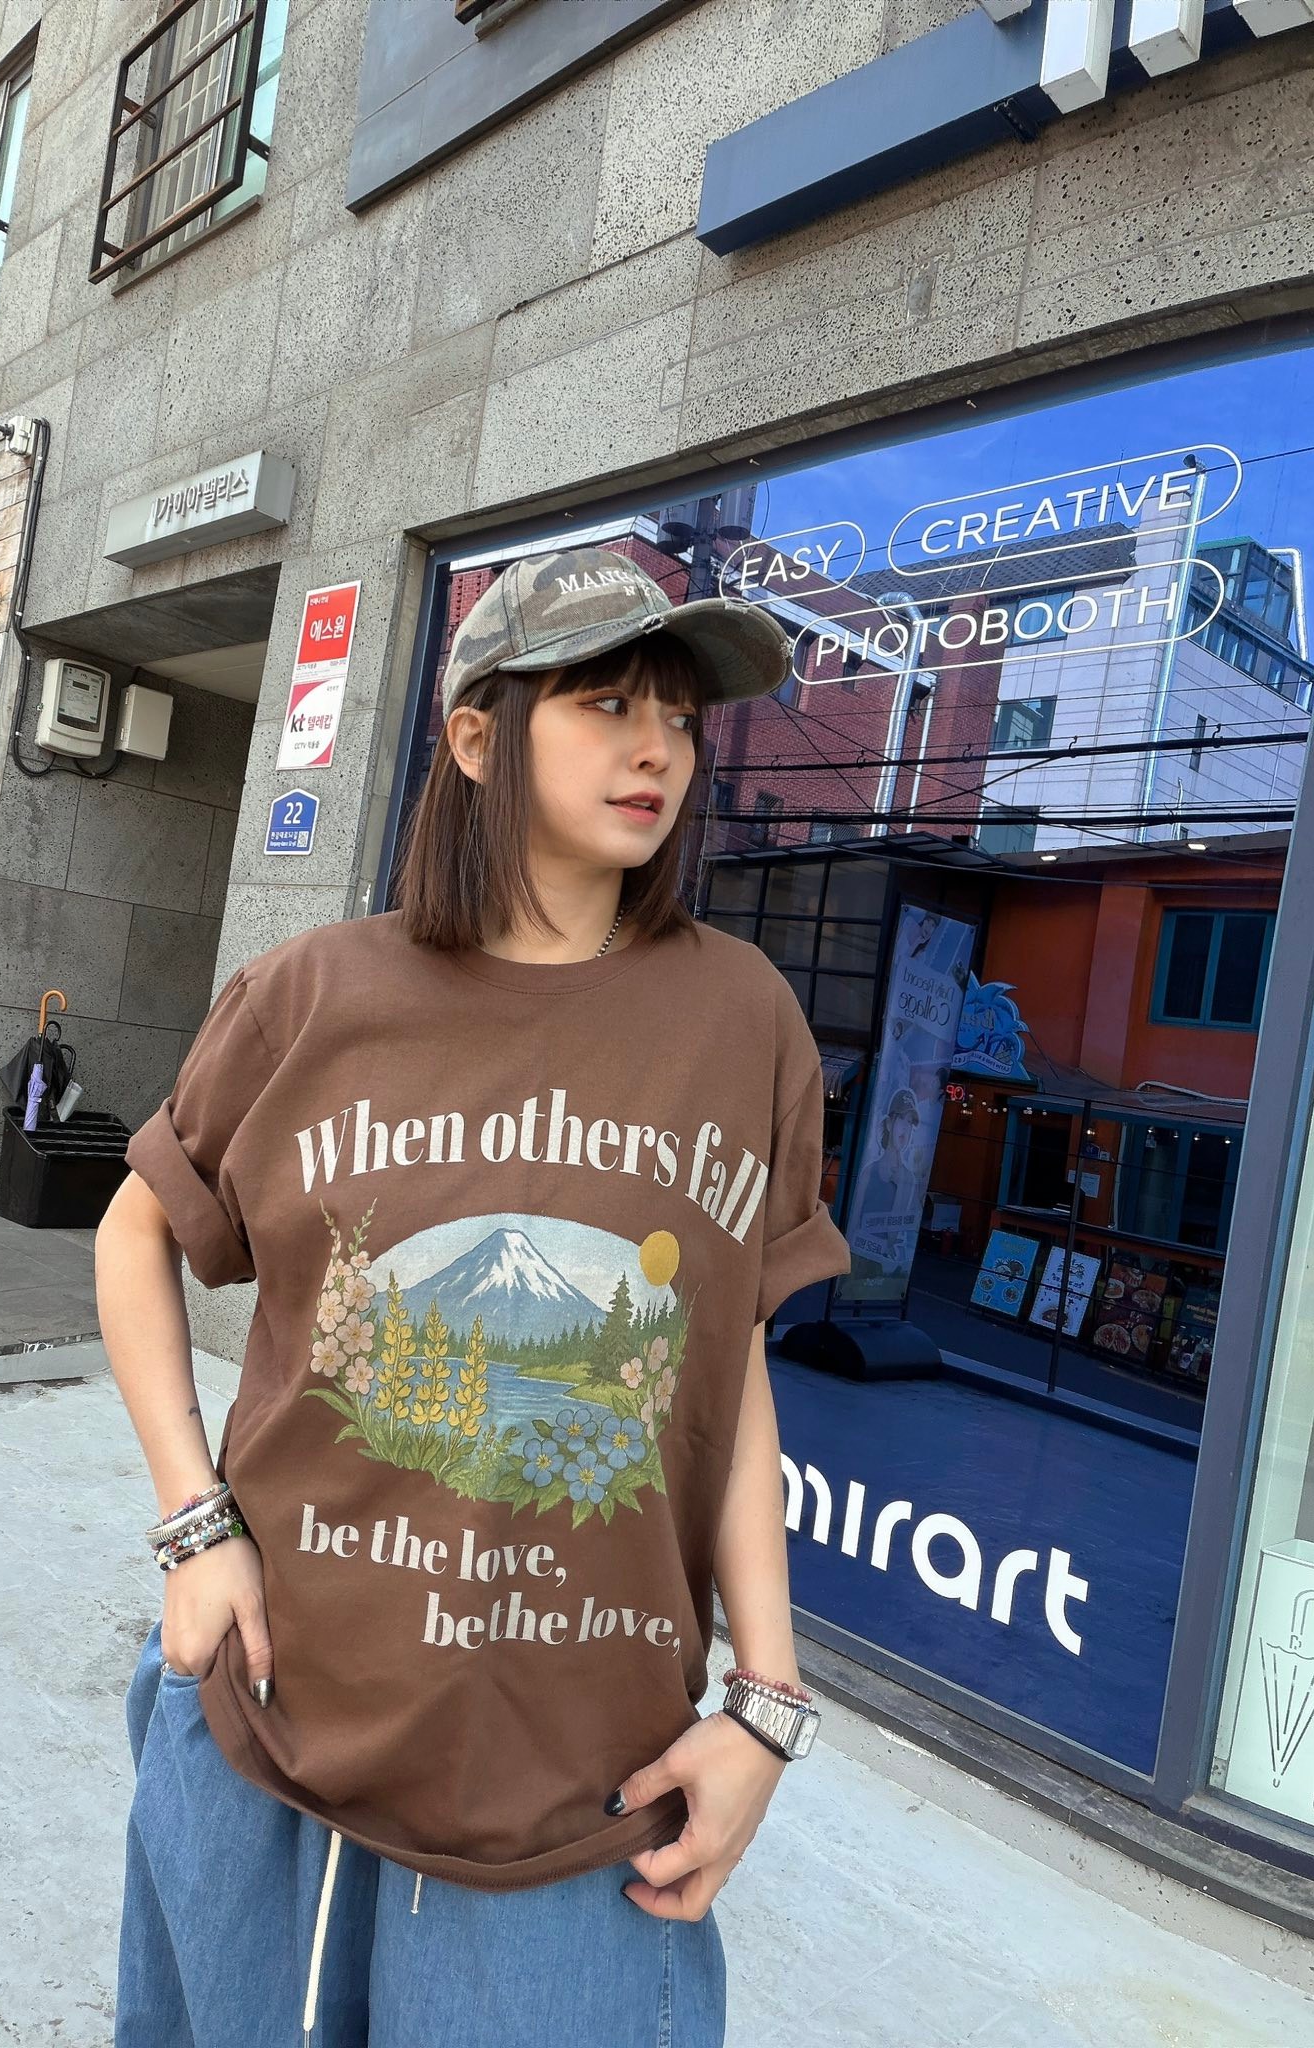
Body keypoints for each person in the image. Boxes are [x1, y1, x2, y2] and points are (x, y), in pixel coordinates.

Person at [96, 542, 853, 2047]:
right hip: (278, 1709)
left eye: (682, 718)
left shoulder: (742, 1022)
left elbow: (730, 1369)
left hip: (584, 1783)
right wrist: (195, 1525)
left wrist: (766, 1703)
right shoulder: (315, 994)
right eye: (606, 703)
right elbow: (134, 1234)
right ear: (475, 738)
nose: (659, 748)